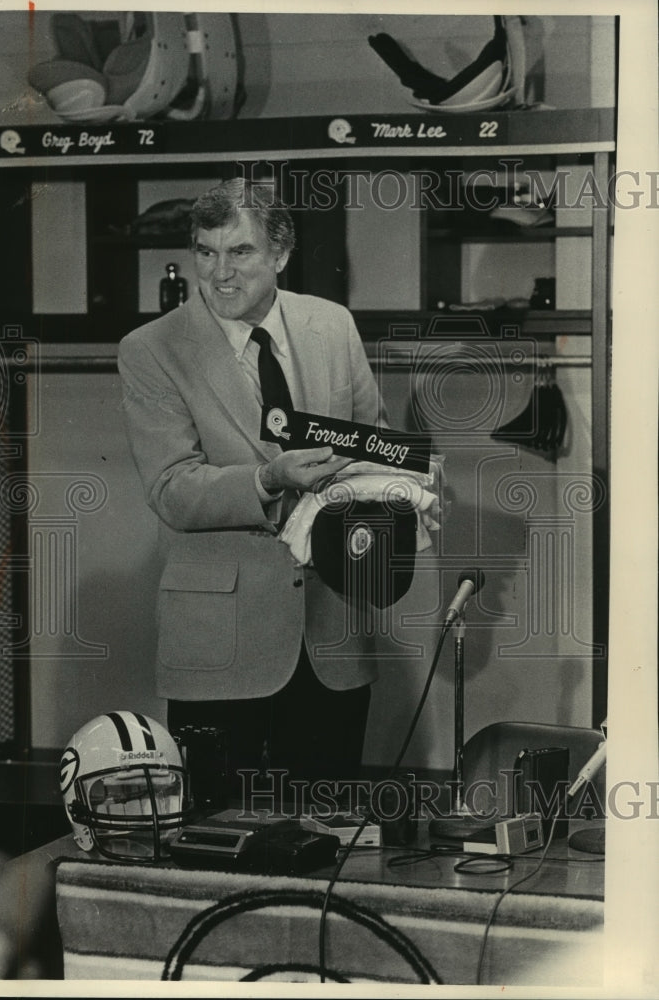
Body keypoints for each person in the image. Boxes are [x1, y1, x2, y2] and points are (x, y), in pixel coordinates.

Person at [117, 177, 388, 798]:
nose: (219, 274)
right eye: (205, 253)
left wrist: (407, 483)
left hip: (334, 636)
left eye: (239, 252)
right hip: (221, 652)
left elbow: (372, 440)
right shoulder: (151, 350)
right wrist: (268, 478)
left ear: (281, 256)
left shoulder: (333, 326)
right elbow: (172, 490)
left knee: (327, 833)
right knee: (221, 840)